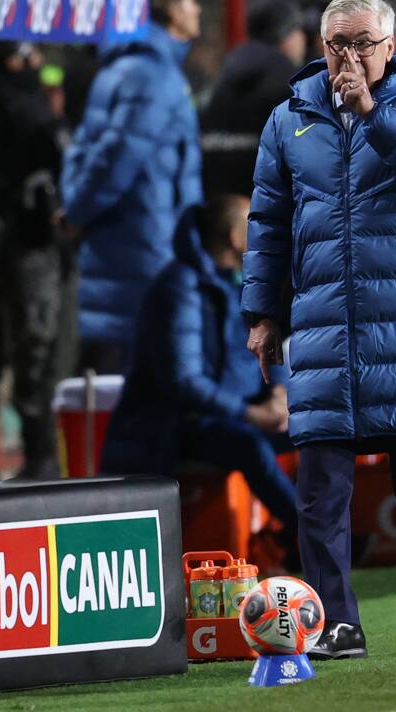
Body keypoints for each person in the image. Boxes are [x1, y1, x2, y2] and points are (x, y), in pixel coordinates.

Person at [242, 0, 396, 659]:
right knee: (319, 486)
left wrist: (373, 115)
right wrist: (263, 312)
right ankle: (338, 622)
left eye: (361, 43)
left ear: (389, 46)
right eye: (336, 44)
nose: (348, 57)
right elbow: (267, 223)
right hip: (325, 326)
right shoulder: (287, 118)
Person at [103, 196, 297, 547]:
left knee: (320, 431)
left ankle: (303, 535)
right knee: (249, 445)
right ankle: (315, 537)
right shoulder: (180, 287)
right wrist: (252, 414)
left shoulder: (245, 284)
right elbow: (183, 382)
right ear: (236, 238)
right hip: (175, 426)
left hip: (236, 415)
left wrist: (278, 394)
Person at [60, 0, 203, 374]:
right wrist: (77, 210)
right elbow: (115, 158)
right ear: (172, 12)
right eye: (192, 1)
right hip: (144, 250)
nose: (199, 10)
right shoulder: (150, 75)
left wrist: (76, 209)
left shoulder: (125, 67)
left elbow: (88, 151)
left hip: (127, 247)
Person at [0, 42, 65, 480]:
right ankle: (39, 460)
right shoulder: (24, 103)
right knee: (34, 359)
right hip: (26, 243)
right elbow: (57, 156)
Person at [199, 0, 308, 199]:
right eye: (298, 30)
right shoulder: (291, 83)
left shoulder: (221, 77)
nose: (303, 39)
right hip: (267, 204)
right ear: (286, 34)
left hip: (217, 201)